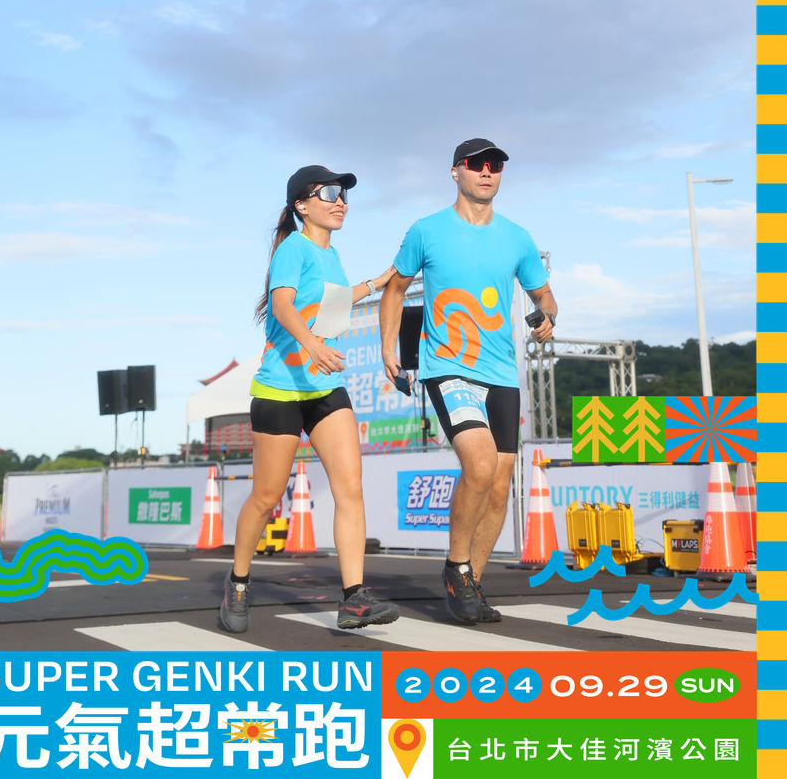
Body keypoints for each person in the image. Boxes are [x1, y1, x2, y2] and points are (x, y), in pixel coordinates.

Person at [378, 138, 557, 625]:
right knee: (479, 463)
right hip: (448, 367)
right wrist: (389, 349)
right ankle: (456, 569)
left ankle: (470, 585)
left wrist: (547, 316)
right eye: (477, 165)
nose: (487, 171)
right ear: (455, 172)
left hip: (501, 374)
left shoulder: (517, 237)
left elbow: (544, 295)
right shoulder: (426, 230)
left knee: (499, 486)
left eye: (495, 165)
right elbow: (395, 289)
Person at [219, 164, 400, 634]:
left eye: (344, 195)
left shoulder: (332, 255)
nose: (341, 202)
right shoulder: (292, 249)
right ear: (301, 205)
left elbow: (332, 308)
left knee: (350, 488)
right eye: (330, 193)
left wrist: (377, 283)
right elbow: (282, 305)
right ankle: (238, 581)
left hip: (324, 389)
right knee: (266, 497)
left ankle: (354, 598)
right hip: (280, 389)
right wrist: (313, 345)